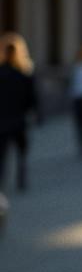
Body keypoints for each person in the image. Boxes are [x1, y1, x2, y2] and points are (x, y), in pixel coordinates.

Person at [0, 32, 40, 193]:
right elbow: (32, 98)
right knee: (21, 152)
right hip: (18, 119)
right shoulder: (24, 74)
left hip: (2, 120)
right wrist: (35, 114)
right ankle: (21, 178)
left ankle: (2, 182)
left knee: (2, 154)